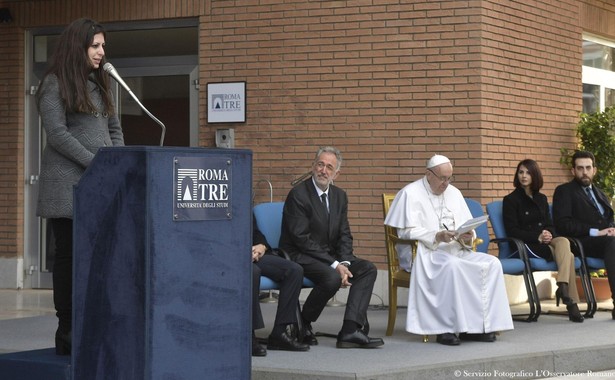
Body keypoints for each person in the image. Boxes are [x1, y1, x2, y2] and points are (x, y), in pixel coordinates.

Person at [35, 18, 125, 355]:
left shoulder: (101, 85)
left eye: (103, 46)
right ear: (79, 47)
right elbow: (57, 134)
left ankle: (94, 324)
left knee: (98, 259)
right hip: (67, 187)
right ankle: (67, 330)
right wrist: (96, 163)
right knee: (70, 259)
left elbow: (113, 130)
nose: (102, 52)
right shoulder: (54, 84)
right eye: (95, 46)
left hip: (100, 185)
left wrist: (116, 163)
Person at [384, 154, 514, 346]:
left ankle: (478, 328)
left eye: (449, 178)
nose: (446, 183)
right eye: (442, 178)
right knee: (452, 266)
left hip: (456, 249)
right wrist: (436, 236)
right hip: (425, 253)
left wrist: (466, 235)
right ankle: (446, 329)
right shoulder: (410, 193)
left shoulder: (453, 192)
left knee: (492, 263)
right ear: (429, 174)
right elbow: (404, 232)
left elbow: (465, 225)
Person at [279, 146, 384, 349]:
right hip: (299, 254)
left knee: (367, 269)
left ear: (337, 173)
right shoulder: (298, 195)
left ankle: (350, 330)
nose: (323, 170)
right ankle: (304, 323)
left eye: (329, 167)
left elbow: (344, 234)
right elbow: (301, 239)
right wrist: (336, 265)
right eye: (320, 164)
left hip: (329, 256)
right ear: (312, 166)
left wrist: (344, 261)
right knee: (332, 276)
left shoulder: (339, 196)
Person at [503, 159, 583, 322]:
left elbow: (550, 224)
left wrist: (548, 233)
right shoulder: (510, 200)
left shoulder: (541, 198)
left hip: (545, 240)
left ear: (535, 175)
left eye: (528, 172)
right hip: (526, 244)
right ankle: (571, 303)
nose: (524, 176)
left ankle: (563, 286)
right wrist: (537, 237)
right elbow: (512, 230)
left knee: (563, 242)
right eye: (521, 172)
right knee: (569, 257)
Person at [552, 150, 615, 320]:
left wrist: (611, 229)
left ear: (594, 170)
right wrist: (596, 232)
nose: (584, 172)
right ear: (573, 171)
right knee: (613, 243)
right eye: (580, 168)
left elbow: (608, 220)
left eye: (588, 168)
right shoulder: (564, 191)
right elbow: (563, 224)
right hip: (581, 242)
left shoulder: (601, 194)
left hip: (606, 242)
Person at [251, 216, 309, 356]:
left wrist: (261, 246)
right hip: (228, 255)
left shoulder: (242, 201)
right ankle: (248, 336)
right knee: (252, 272)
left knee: (294, 270)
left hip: (254, 253)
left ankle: (280, 333)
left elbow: (254, 231)